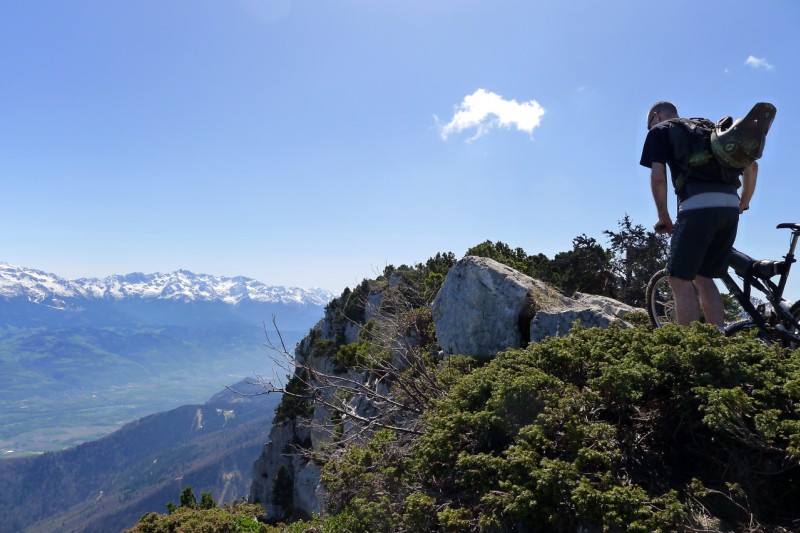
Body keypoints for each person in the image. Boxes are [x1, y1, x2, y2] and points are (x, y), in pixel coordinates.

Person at [640, 101, 758, 326]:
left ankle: (690, 351)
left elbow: (657, 177)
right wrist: (744, 202)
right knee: (704, 277)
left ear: (655, 117)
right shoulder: (711, 130)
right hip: (730, 209)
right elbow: (752, 167)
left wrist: (663, 215)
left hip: (696, 207)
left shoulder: (660, 130)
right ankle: (716, 342)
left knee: (679, 278)